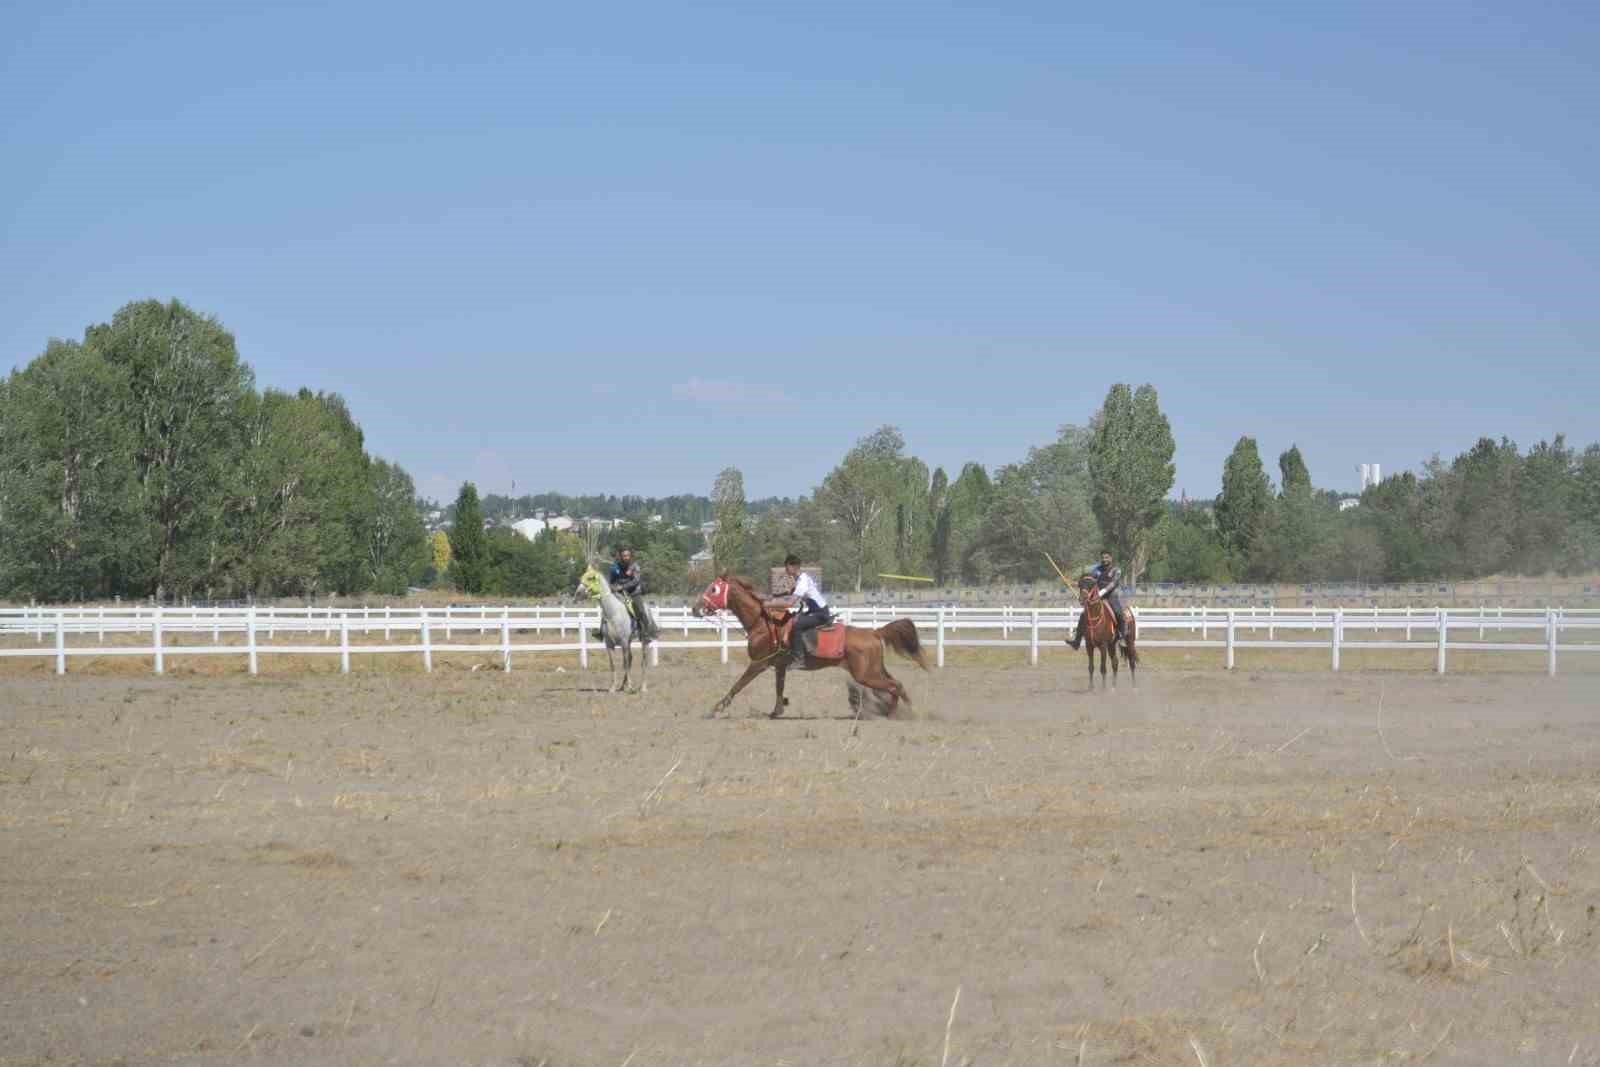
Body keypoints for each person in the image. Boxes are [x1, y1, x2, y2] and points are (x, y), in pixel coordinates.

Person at [769, 554, 830, 667]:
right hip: (814, 611)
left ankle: (799, 658)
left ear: (794, 566)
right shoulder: (800, 579)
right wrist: (775, 595)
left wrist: (767, 604)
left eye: (787, 567)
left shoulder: (802, 581)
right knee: (793, 620)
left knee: (796, 625)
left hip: (820, 614)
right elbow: (791, 592)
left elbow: (790, 603)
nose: (786, 569)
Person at [1068, 549, 1127, 650]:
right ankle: (1077, 640)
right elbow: (1089, 581)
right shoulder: (1096, 570)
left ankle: (1122, 637)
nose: (1104, 560)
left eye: (1107, 557)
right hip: (1096, 598)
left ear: (1111, 558)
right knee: (1084, 614)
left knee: (1119, 613)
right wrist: (1072, 583)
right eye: (1103, 558)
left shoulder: (1116, 570)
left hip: (1111, 597)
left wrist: (1101, 593)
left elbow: (1113, 584)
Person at [608, 547, 657, 641]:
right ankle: (602, 631)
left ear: (630, 556)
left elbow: (636, 581)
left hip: (634, 593)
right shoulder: (615, 567)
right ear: (620, 556)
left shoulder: (635, 566)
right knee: (608, 607)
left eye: (627, 555)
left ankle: (646, 633)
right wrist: (612, 587)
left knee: (641, 610)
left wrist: (622, 587)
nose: (626, 557)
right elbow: (611, 581)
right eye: (624, 556)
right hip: (620, 594)